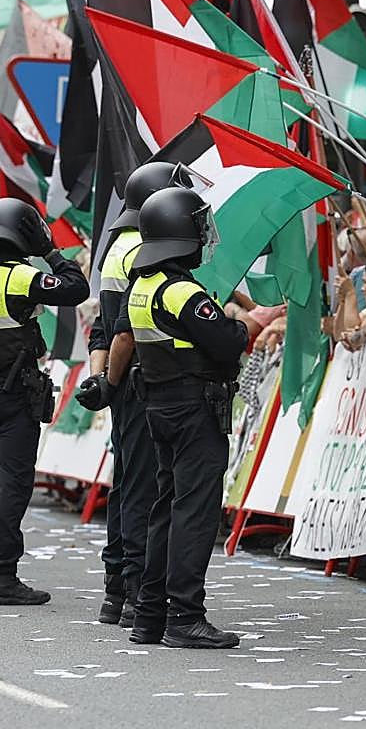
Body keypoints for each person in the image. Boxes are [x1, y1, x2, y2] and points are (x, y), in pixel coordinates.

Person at [122, 186, 248, 649]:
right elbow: (227, 343)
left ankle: (150, 614)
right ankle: (185, 617)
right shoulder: (181, 291)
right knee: (193, 514)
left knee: (166, 510)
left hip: (160, 405)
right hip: (195, 408)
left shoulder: (143, 287)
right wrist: (237, 322)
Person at [0, 198, 88, 604]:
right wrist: (48, 251)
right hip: (14, 393)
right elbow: (76, 289)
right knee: (13, 483)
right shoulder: (20, 277)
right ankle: (4, 578)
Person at [75, 161, 177, 626]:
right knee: (144, 487)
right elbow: (124, 333)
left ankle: (117, 586)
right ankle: (137, 587)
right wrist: (115, 381)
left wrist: (104, 382)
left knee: (128, 483)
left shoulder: (118, 247)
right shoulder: (146, 251)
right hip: (143, 380)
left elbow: (102, 328)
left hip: (124, 382)